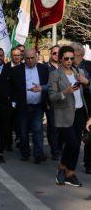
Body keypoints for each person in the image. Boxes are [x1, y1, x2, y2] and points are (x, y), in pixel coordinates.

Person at [49, 45, 90, 187]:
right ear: (60, 59)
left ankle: (70, 173)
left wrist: (87, 82)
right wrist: (65, 92)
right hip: (63, 114)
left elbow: (87, 91)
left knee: (77, 145)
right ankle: (61, 169)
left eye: (72, 58)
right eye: (66, 58)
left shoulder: (78, 71)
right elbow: (52, 97)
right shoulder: (55, 74)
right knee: (71, 143)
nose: (69, 61)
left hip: (80, 113)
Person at [12, 48, 49, 163]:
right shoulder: (17, 70)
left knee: (38, 130)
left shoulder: (43, 69)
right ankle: (25, 153)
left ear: (36, 57)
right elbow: (13, 88)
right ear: (24, 58)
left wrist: (44, 94)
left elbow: (49, 85)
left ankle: (38, 154)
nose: (30, 60)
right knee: (23, 132)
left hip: (37, 106)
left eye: (32, 58)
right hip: (23, 106)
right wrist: (13, 102)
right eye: (27, 58)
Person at [70, 42, 91, 174]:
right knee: (74, 138)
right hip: (73, 108)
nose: (71, 59)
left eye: (74, 56)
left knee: (89, 137)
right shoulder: (66, 67)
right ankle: (69, 164)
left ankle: (88, 163)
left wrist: (87, 82)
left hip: (88, 107)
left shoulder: (89, 66)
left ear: (81, 55)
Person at [46, 45, 62, 160]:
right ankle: (55, 150)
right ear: (50, 54)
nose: (56, 55)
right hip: (51, 103)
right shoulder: (44, 68)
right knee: (53, 127)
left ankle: (59, 147)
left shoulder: (66, 67)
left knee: (63, 128)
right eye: (54, 53)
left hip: (65, 103)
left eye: (58, 53)